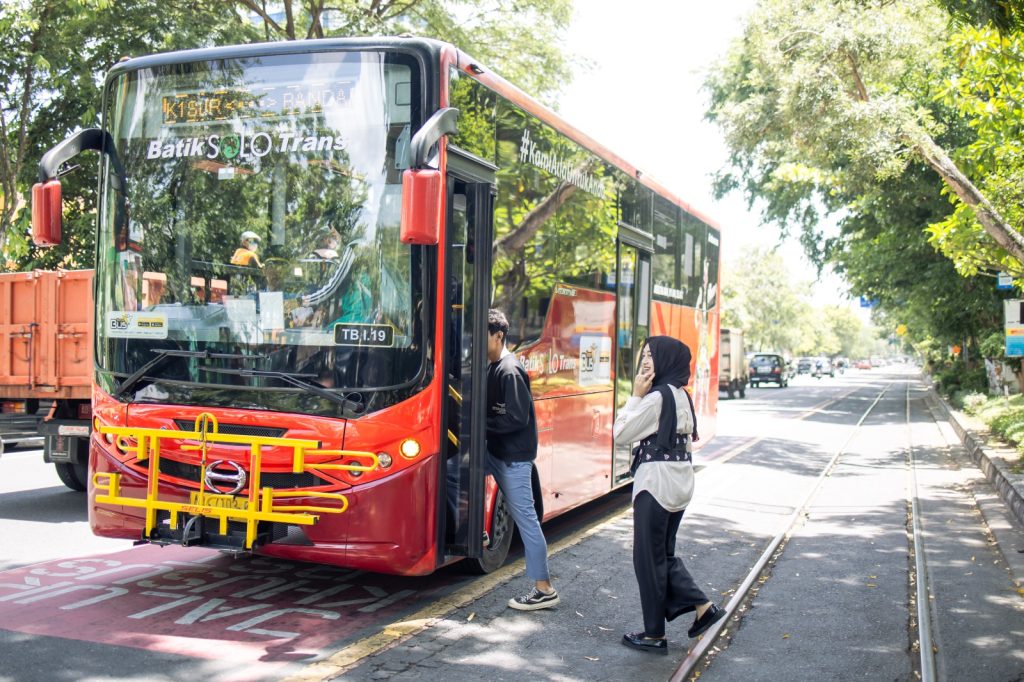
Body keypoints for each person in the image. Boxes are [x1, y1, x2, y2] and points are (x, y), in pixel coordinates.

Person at [613, 336, 725, 655]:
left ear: (666, 360)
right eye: (644, 354)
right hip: (679, 483)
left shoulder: (656, 398)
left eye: (653, 355)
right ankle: (700, 610)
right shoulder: (681, 395)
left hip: (656, 484)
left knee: (647, 558)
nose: (646, 360)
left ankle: (656, 633)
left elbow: (620, 434)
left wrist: (635, 397)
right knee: (661, 554)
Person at [486, 308, 559, 611]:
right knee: (455, 473)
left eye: (482, 336)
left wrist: (481, 427)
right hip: (497, 452)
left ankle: (544, 589)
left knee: (527, 521)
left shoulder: (509, 370)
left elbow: (517, 417)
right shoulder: (493, 366)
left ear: (498, 336)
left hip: (514, 459)